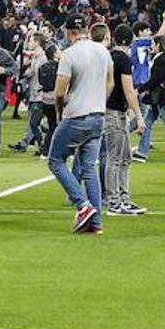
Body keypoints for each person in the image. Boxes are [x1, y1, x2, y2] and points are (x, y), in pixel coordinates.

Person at [49, 17, 112, 234]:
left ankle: (82, 206)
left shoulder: (69, 54)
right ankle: (96, 222)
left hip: (76, 116)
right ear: (85, 29)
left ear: (69, 32)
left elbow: (59, 91)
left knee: (55, 160)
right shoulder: (103, 51)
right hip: (98, 116)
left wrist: (59, 110)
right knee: (89, 168)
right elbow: (110, 81)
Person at [104, 24, 147, 216]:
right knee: (117, 158)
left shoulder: (108, 56)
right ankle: (115, 201)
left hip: (110, 110)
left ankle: (123, 199)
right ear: (129, 41)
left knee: (124, 157)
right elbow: (129, 90)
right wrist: (138, 116)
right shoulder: (123, 59)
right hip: (115, 113)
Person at [136, 32, 165, 163]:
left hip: (161, 98)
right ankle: (142, 152)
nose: (151, 47)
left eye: (153, 44)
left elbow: (155, 80)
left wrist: (139, 89)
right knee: (148, 124)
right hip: (159, 97)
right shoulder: (163, 59)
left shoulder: (161, 61)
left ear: (158, 45)